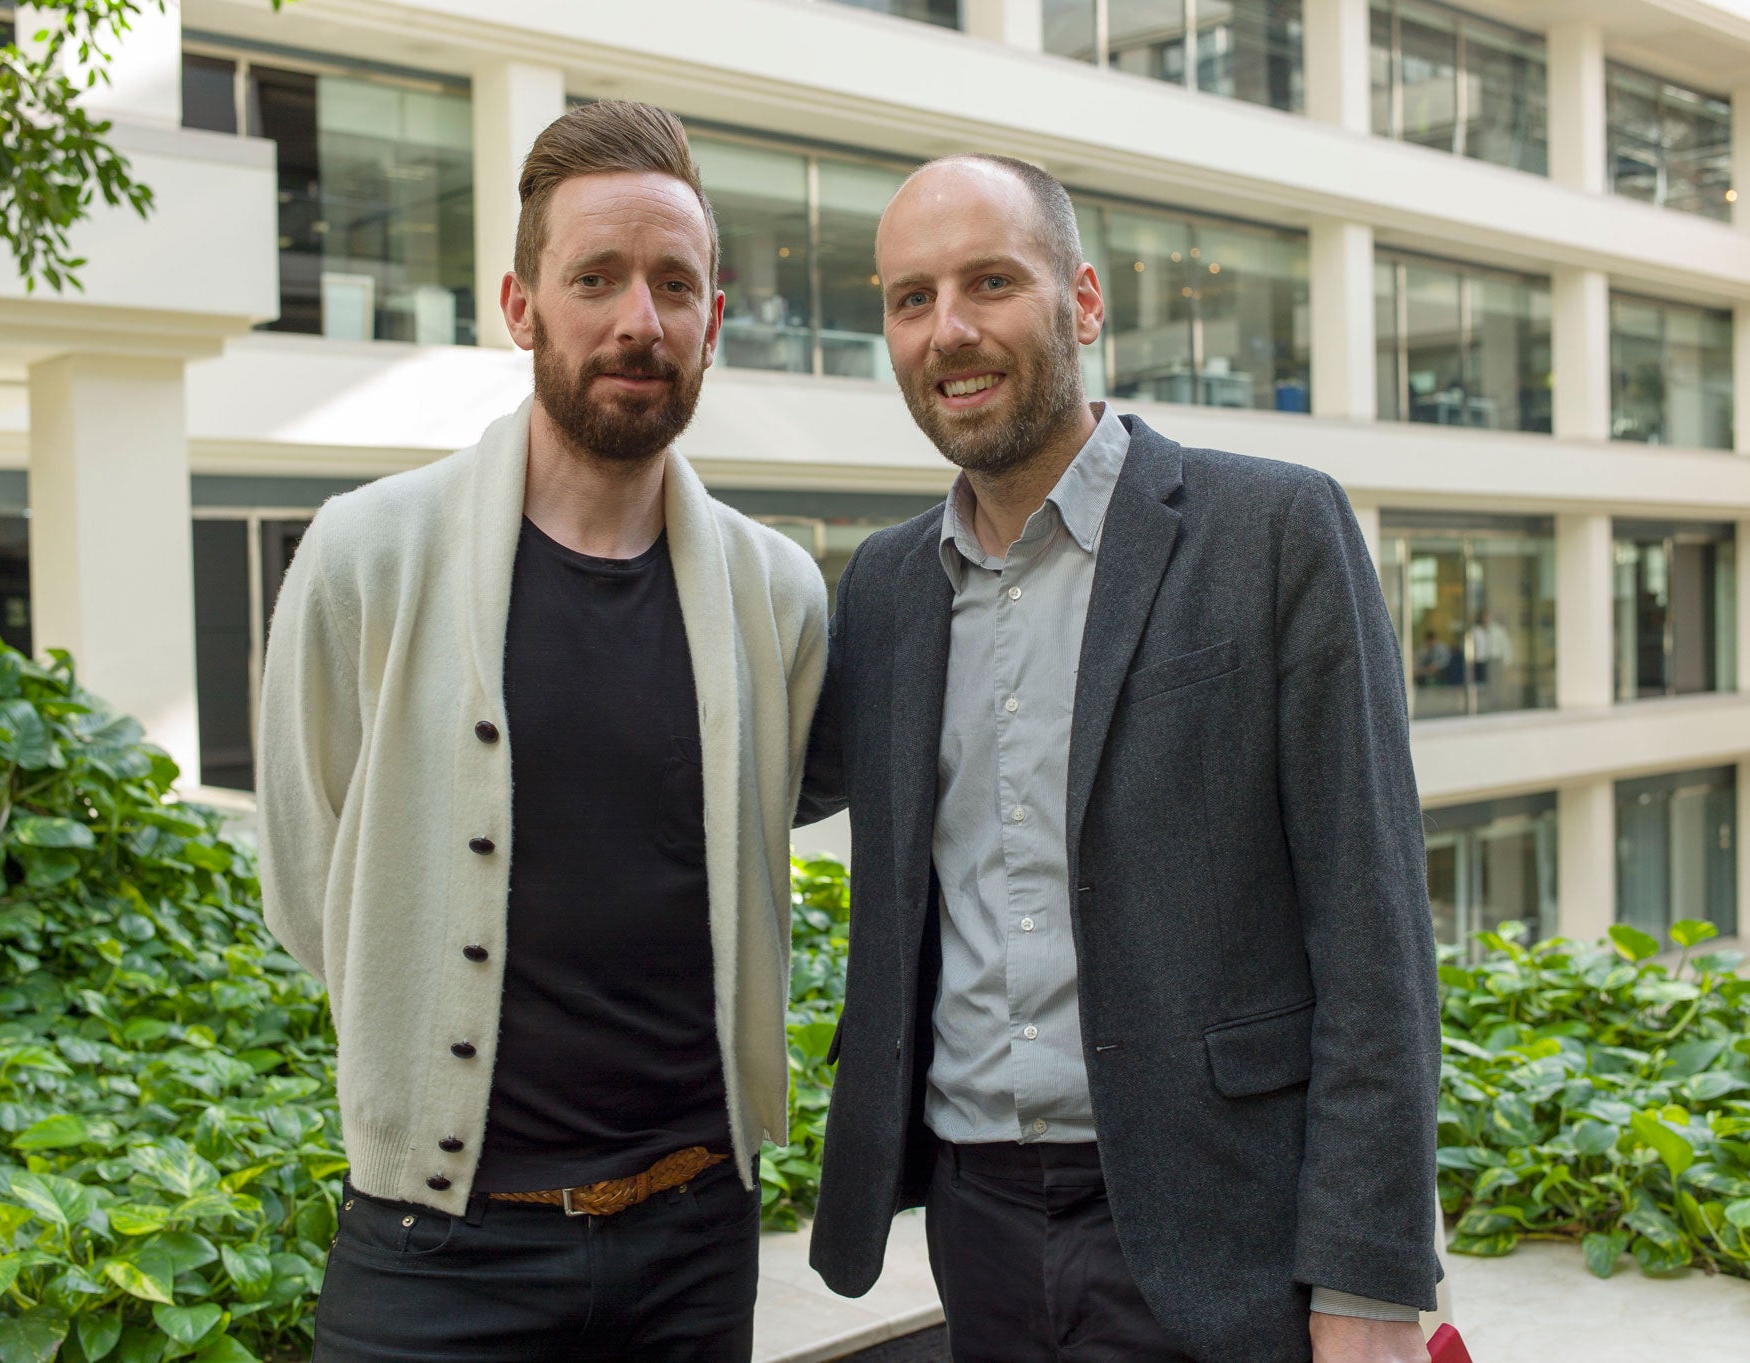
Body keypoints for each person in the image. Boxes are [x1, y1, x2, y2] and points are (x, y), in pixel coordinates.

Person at [798, 155, 1440, 1363]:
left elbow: (1374, 933)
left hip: (1221, 1225)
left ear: (1082, 302)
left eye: (990, 281)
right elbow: (749, 779)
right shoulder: (885, 586)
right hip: (973, 1215)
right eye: (910, 298)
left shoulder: (1275, 532)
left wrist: (1368, 1274)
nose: (950, 331)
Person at [256, 100, 828, 1362]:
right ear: (521, 308)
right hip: (435, 1253)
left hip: (694, 1246)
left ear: (713, 322)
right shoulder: (366, 556)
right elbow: (311, 887)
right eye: (596, 279)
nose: (640, 319)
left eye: (675, 284)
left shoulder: (776, 593)